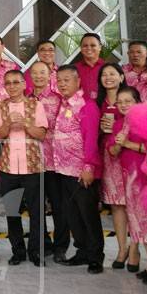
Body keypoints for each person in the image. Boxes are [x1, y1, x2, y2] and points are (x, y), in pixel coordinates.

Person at [111, 86, 147, 284]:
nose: (124, 105)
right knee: (138, 223)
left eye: (128, 101)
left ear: (137, 102)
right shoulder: (121, 124)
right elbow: (114, 150)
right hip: (130, 178)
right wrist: (120, 144)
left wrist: (128, 144)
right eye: (120, 102)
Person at [0, 70, 48, 266]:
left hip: (33, 165)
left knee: (37, 211)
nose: (12, 86)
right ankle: (18, 251)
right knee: (12, 211)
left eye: (16, 82)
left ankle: (36, 251)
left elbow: (41, 134)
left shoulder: (36, 104)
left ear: (25, 84)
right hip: (8, 167)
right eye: (8, 83)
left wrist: (24, 123)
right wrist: (9, 122)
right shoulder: (0, 106)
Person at [52, 65, 103, 274]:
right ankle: (82, 252)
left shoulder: (86, 105)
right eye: (59, 80)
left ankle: (95, 257)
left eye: (67, 80)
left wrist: (88, 166)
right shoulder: (62, 104)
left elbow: (91, 139)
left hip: (81, 171)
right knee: (72, 214)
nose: (62, 84)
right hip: (63, 170)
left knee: (88, 214)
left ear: (78, 82)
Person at [96, 63, 138, 271]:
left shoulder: (129, 99)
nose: (108, 77)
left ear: (122, 77)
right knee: (117, 205)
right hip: (109, 157)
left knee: (133, 203)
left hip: (130, 156)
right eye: (104, 75)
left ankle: (135, 248)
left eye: (112, 74)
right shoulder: (98, 102)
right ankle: (122, 248)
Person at [28, 61, 64, 259]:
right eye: (35, 73)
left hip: (54, 161)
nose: (39, 76)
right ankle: (43, 244)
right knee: (36, 207)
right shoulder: (25, 100)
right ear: (30, 76)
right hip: (33, 161)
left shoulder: (59, 99)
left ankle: (60, 246)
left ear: (50, 74)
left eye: (43, 73)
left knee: (59, 206)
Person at [74, 33, 105, 101]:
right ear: (81, 48)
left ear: (100, 47)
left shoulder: (108, 67)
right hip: (82, 109)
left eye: (93, 45)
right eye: (85, 45)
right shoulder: (74, 69)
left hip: (104, 108)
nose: (89, 48)